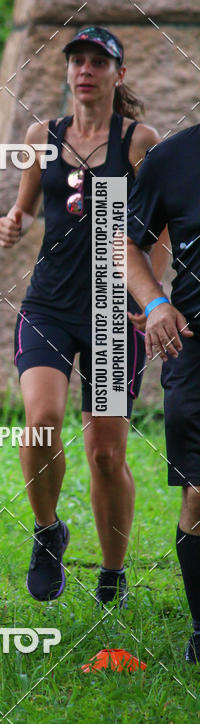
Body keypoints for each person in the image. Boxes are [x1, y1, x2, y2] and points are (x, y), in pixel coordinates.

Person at [0, 26, 163, 607]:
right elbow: (21, 210)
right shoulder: (43, 135)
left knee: (104, 451)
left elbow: (157, 225)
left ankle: (112, 572)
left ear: (118, 74)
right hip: (48, 303)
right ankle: (48, 533)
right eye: (77, 61)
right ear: (66, 72)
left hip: (114, 311)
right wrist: (11, 223)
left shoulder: (139, 141)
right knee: (40, 420)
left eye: (98, 62)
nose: (85, 71)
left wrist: (150, 296)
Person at [127, 123, 200, 662]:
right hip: (194, 342)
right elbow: (121, 236)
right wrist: (154, 302)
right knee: (199, 489)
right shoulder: (172, 158)